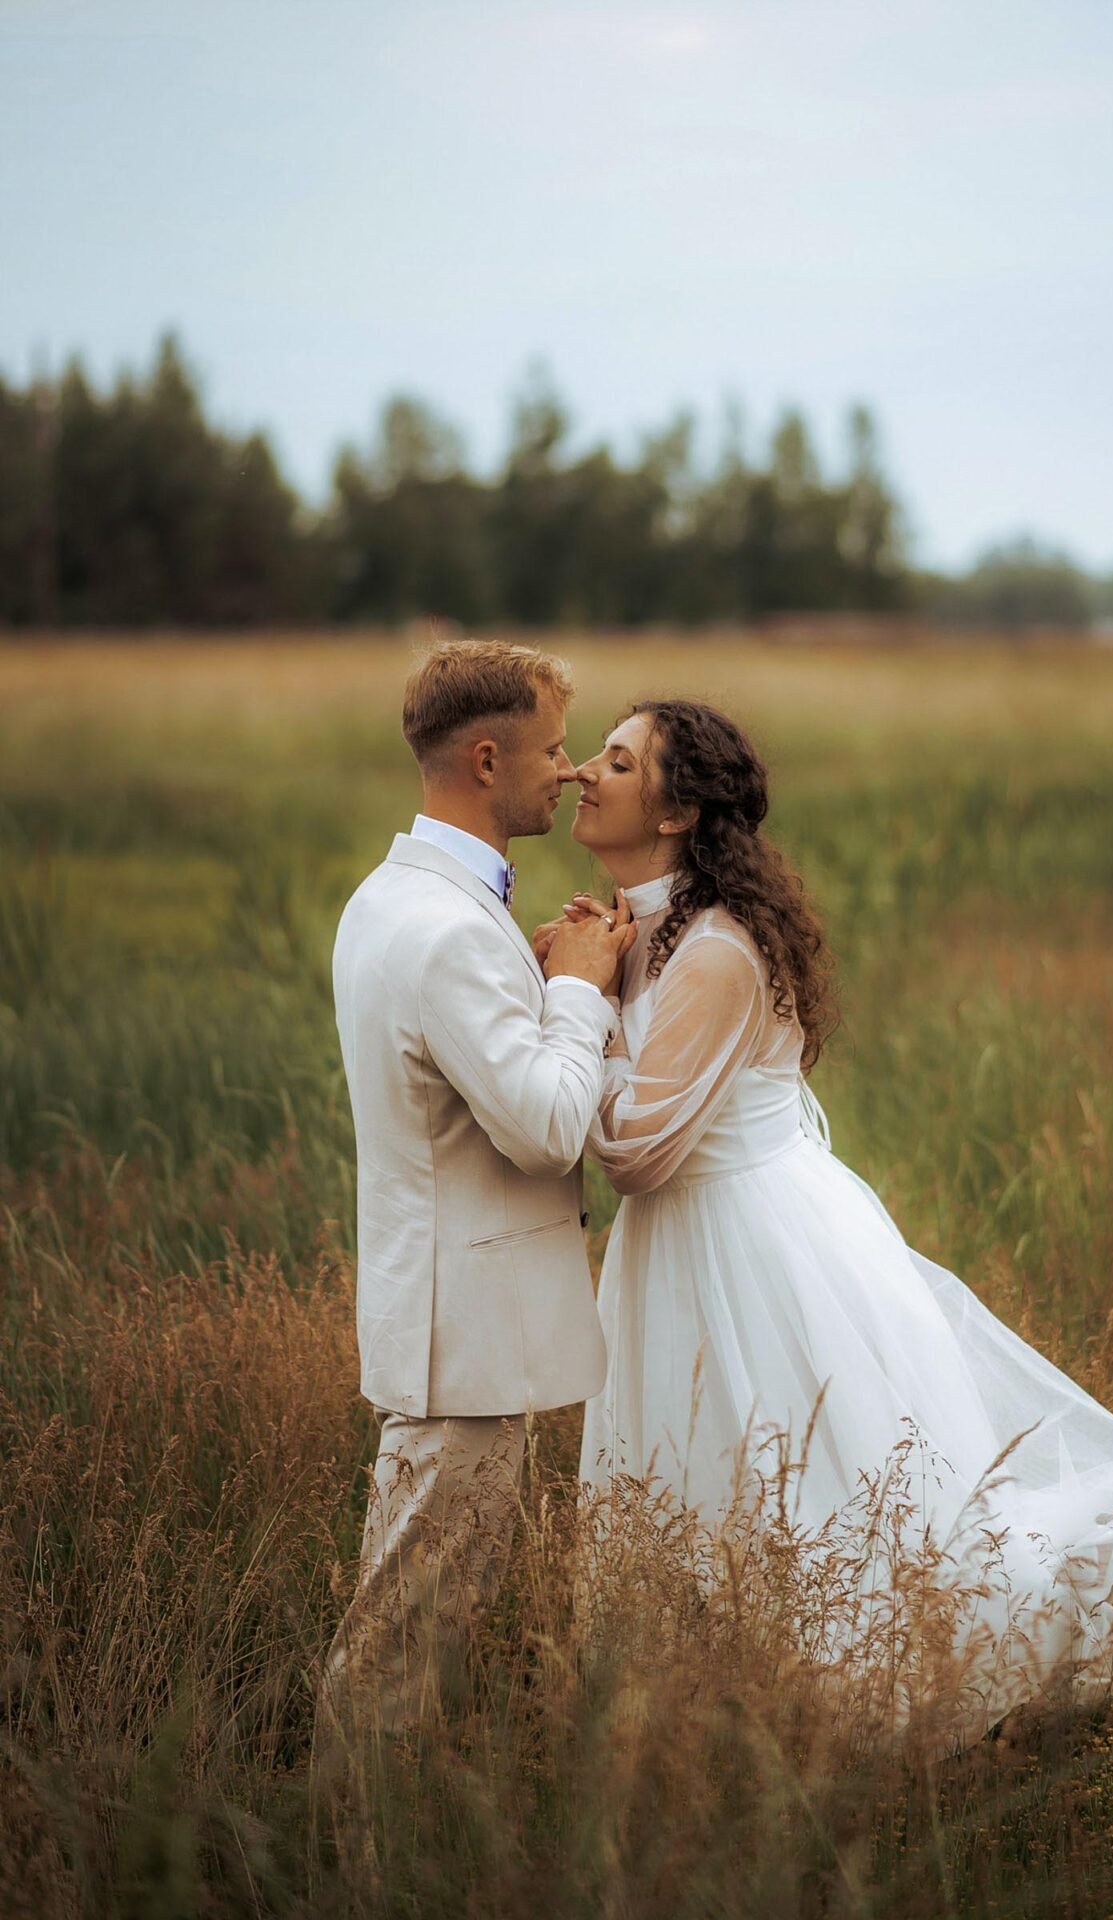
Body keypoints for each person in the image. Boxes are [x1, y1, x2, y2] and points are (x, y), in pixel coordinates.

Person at [536, 697, 1113, 1752]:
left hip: (757, 1251)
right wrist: (590, 976)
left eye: (619, 760)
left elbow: (637, 1155)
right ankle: (716, 1716)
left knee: (831, 1508)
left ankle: (1089, 1605)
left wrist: (569, 1009)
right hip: (677, 1254)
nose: (588, 770)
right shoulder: (630, 933)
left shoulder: (718, 950)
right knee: (711, 1490)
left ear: (677, 813)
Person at [319, 639, 635, 1742]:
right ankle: (356, 1869)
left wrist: (543, 991)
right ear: (488, 758)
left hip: (442, 1318)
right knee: (402, 1648)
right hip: (466, 1341)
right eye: (553, 751)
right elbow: (548, 1128)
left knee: (403, 1630)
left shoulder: (391, 896)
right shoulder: (452, 929)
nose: (571, 771)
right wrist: (578, 993)